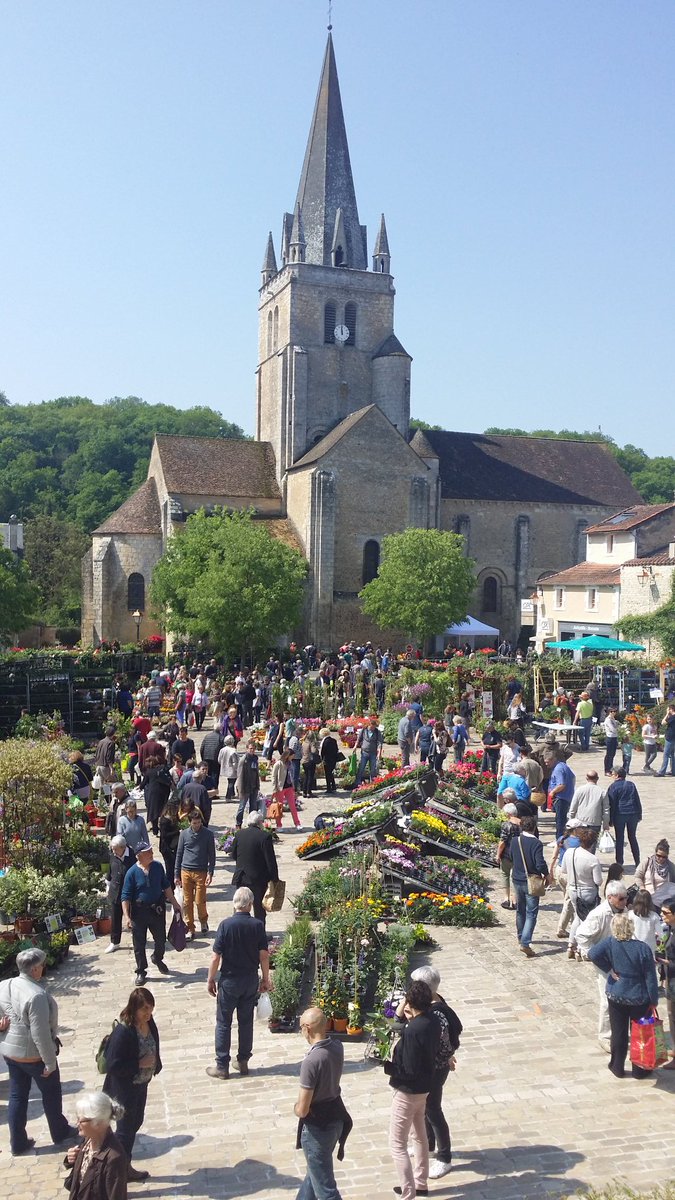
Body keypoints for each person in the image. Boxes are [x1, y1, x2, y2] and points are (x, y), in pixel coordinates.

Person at [0, 947, 77, 1155]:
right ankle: (59, 1132)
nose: (43, 968)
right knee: (51, 1094)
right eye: (41, 965)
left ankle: (17, 1142)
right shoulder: (36, 996)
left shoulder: (4, 985)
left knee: (17, 1096)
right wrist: (50, 1062)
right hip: (32, 1055)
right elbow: (40, 1033)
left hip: (10, 1052)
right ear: (34, 970)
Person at [205, 886, 271, 1080]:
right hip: (249, 979)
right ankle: (243, 1060)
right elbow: (264, 956)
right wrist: (266, 979)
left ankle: (222, 1066)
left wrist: (210, 979)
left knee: (224, 1023)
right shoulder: (257, 925)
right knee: (246, 1021)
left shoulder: (225, 925)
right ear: (250, 904)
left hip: (229, 980)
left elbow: (216, 957)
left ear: (235, 904)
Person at [407, 966, 462, 1181]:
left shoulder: (436, 1012)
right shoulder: (432, 1001)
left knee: (432, 1109)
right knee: (424, 1107)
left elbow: (443, 1039)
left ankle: (444, 1157)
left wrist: (447, 1055)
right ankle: (428, 1145)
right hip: (433, 1065)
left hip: (436, 1068)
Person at [588, 913, 659, 1079]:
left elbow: (592, 954)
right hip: (639, 997)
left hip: (617, 995)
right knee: (639, 1034)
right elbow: (650, 977)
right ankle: (639, 1070)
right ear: (631, 927)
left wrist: (609, 969)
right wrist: (654, 999)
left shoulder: (610, 943)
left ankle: (617, 1066)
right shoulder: (642, 948)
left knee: (618, 1033)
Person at [386, 979, 439, 1200]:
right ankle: (421, 1182)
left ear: (410, 1002)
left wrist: (388, 1066)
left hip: (408, 1090)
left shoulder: (412, 1031)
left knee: (397, 1143)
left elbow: (407, 1068)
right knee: (419, 1135)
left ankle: (408, 1192)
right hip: (425, 1087)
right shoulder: (432, 1021)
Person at [102, 987, 162, 1180]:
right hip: (124, 1088)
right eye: (144, 1009)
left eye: (151, 1008)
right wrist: (139, 1064)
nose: (148, 1013)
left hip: (141, 1084)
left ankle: (119, 1163)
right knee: (125, 1130)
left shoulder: (149, 1023)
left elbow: (154, 1043)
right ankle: (120, 1170)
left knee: (136, 1122)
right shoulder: (124, 1031)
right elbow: (114, 1065)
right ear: (133, 1008)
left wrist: (155, 1064)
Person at [294, 1007, 351, 1200]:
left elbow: (303, 1109)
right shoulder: (337, 1047)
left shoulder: (311, 1061)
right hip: (336, 1118)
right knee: (315, 1174)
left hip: (317, 1129)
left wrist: (295, 1107)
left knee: (326, 1190)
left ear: (307, 1028)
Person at [575, 881, 629, 1052]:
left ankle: (621, 1032)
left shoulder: (623, 910)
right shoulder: (598, 914)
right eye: (621, 898)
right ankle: (605, 1036)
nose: (625, 901)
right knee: (607, 1000)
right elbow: (581, 935)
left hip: (621, 958)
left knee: (624, 997)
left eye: (626, 898)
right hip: (604, 961)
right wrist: (591, 954)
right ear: (610, 898)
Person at [121, 842, 182, 986]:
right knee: (139, 943)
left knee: (161, 939)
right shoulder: (132, 873)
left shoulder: (157, 867)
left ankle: (157, 957)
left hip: (157, 911)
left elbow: (165, 886)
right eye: (148, 852)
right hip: (139, 913)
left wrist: (174, 903)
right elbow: (125, 896)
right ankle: (141, 971)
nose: (152, 854)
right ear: (139, 856)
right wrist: (127, 917)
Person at [64, 1091, 127, 1200]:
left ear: (97, 1123)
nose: (77, 1124)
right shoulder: (87, 1141)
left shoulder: (114, 1158)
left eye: (81, 1120)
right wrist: (71, 1159)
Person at [510, 816, 549, 957]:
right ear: (534, 827)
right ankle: (525, 942)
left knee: (520, 910)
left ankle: (521, 937)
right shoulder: (536, 843)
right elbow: (540, 863)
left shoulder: (515, 840)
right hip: (531, 880)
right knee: (531, 912)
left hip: (516, 879)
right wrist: (546, 874)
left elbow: (511, 856)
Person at [231, 811, 279, 924]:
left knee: (240, 905)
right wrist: (274, 878)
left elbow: (234, 855)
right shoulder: (265, 836)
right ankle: (260, 932)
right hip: (258, 878)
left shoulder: (239, 834)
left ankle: (240, 929)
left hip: (242, 877)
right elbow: (270, 860)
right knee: (259, 908)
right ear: (260, 823)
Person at [175, 809, 216, 939]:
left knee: (200, 901)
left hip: (201, 871)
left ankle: (203, 921)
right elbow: (179, 853)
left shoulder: (208, 834)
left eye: (198, 822)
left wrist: (210, 872)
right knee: (187, 902)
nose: (197, 825)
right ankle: (190, 927)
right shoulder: (184, 835)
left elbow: (212, 855)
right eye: (194, 823)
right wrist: (176, 874)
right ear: (190, 822)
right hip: (185, 870)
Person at [561, 827, 603, 957]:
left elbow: (564, 870)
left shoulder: (570, 853)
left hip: (572, 889)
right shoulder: (592, 859)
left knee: (578, 917)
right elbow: (598, 881)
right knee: (585, 920)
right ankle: (580, 947)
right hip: (587, 892)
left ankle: (570, 945)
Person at [106, 835, 136, 954]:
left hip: (130, 893)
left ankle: (137, 940)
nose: (113, 851)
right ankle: (114, 942)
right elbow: (110, 872)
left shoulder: (133, 856)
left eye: (115, 849)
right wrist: (108, 885)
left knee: (134, 917)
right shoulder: (113, 855)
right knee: (115, 918)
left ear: (123, 847)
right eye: (112, 848)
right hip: (115, 892)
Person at [607, 768, 642, 866]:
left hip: (620, 815)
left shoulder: (613, 787)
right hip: (633, 813)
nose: (612, 776)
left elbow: (611, 804)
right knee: (632, 837)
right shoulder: (631, 785)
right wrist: (639, 814)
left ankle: (619, 862)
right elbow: (637, 800)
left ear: (617, 775)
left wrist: (610, 819)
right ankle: (637, 861)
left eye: (613, 774)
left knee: (619, 839)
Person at [655, 900, 675, 1069]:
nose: (662, 915)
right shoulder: (668, 929)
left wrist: (665, 962)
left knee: (673, 1016)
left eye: (665, 912)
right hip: (670, 978)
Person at [568, 771, 609, 842]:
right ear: (597, 778)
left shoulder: (579, 790)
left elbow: (573, 807)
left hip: (581, 822)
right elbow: (606, 810)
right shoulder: (602, 792)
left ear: (586, 778)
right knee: (592, 845)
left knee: (581, 844)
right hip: (595, 823)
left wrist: (570, 820)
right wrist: (605, 824)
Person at [496, 803, 521, 910]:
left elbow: (502, 842)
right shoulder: (523, 824)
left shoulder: (506, 825)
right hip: (519, 855)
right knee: (516, 877)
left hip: (507, 854)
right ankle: (515, 900)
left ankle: (506, 899)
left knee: (505, 875)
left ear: (508, 814)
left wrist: (497, 855)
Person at [140, 756, 172, 837]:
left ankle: (155, 830)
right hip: (164, 792)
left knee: (154, 811)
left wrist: (140, 787)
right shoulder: (162, 768)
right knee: (163, 811)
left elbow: (143, 783)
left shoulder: (149, 772)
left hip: (153, 793)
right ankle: (163, 828)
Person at [271, 748, 301, 828]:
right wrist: (274, 789)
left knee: (293, 806)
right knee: (279, 807)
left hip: (289, 787)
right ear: (288, 756)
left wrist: (294, 788)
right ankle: (279, 825)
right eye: (292, 756)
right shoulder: (278, 764)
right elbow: (274, 777)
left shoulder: (290, 763)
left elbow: (292, 776)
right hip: (280, 788)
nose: (293, 758)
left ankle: (297, 823)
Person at [548, 758, 576, 841]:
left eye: (547, 762)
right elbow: (573, 778)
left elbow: (561, 785)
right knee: (562, 819)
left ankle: (559, 840)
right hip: (567, 796)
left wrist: (552, 792)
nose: (546, 764)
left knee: (560, 821)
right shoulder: (563, 765)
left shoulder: (558, 770)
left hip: (561, 798)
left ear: (553, 760)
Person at [235, 739, 261, 828]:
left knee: (253, 806)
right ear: (247, 749)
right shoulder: (243, 760)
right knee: (242, 806)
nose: (252, 750)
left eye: (253, 748)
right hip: (245, 787)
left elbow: (256, 773)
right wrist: (240, 790)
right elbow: (240, 776)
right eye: (250, 748)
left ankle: (252, 823)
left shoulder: (255, 758)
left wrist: (257, 785)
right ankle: (238, 823)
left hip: (253, 786)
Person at [630, 890, 663, 955]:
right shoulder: (654, 916)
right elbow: (661, 934)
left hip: (634, 948)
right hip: (649, 949)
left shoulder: (630, 914)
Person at [157, 797, 181, 886]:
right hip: (166, 848)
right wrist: (177, 832)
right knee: (170, 870)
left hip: (173, 846)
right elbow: (164, 835)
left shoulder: (174, 817)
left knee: (175, 868)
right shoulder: (164, 820)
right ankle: (169, 890)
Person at [355, 715, 383, 785]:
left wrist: (379, 753)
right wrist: (355, 746)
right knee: (361, 767)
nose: (373, 728)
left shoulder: (377, 732)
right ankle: (357, 782)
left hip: (373, 753)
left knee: (373, 769)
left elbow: (380, 742)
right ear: (369, 725)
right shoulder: (364, 730)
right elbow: (359, 739)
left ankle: (372, 783)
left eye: (374, 727)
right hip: (364, 752)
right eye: (372, 727)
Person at [94, 726, 117, 798]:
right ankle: (110, 800)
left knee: (102, 785)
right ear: (113, 733)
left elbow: (97, 754)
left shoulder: (101, 741)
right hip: (105, 766)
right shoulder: (111, 743)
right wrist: (111, 769)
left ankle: (101, 801)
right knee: (113, 784)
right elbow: (108, 757)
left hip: (99, 765)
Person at [218, 734, 240, 800]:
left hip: (225, 768)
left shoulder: (222, 750)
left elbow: (219, 759)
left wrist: (223, 765)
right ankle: (228, 797)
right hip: (232, 769)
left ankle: (232, 794)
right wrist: (237, 769)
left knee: (230, 781)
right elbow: (235, 762)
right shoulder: (233, 751)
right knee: (231, 783)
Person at [657, 703, 675, 776]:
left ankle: (662, 772)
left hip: (670, 737)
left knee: (666, 755)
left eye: (668, 709)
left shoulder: (672, 717)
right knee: (672, 754)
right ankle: (673, 771)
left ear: (671, 709)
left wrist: (667, 714)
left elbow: (663, 722)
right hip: (673, 738)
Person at [319, 727, 339, 794]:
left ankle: (329, 788)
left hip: (327, 759)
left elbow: (322, 752)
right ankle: (333, 786)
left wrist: (321, 759)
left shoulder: (324, 741)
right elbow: (336, 749)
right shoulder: (333, 740)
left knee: (328, 774)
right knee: (331, 773)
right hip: (333, 759)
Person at [300, 728, 319, 798]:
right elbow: (313, 751)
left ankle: (304, 792)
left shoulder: (304, 742)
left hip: (304, 760)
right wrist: (316, 749)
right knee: (310, 777)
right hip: (310, 761)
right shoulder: (311, 743)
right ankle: (309, 792)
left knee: (306, 776)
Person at [603, 708, 619, 776]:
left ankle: (611, 768)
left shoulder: (613, 719)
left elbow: (616, 727)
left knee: (612, 754)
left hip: (614, 737)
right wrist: (619, 730)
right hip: (610, 737)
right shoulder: (608, 720)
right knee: (609, 755)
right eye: (612, 712)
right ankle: (607, 770)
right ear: (609, 712)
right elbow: (613, 729)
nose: (614, 713)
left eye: (615, 711)